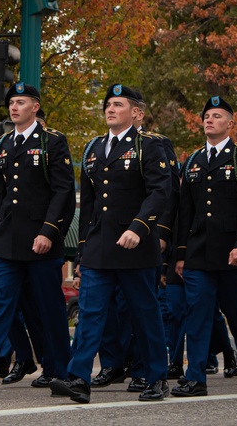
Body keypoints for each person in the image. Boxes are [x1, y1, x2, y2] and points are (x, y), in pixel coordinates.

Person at [49, 84, 172, 403]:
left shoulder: (149, 146)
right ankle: (78, 378)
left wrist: (140, 227)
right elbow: (87, 206)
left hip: (135, 248)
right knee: (90, 313)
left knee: (145, 315)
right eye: (108, 104)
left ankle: (157, 376)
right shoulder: (93, 148)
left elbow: (160, 192)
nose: (110, 108)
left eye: (118, 104)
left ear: (136, 112)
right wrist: (83, 249)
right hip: (100, 249)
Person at [0, 82, 75, 399]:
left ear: (35, 106)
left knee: (49, 309)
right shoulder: (4, 143)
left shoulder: (52, 141)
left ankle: (61, 372)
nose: (14, 107)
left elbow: (63, 192)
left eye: (21, 102)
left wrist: (49, 231)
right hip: (7, 241)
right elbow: (0, 195)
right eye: (11, 103)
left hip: (40, 241)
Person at [172, 96, 237, 397]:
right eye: (206, 116)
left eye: (217, 115)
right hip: (200, 252)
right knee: (198, 314)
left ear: (230, 123)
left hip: (234, 254)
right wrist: (180, 253)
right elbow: (184, 211)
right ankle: (195, 378)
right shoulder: (193, 161)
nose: (209, 120)